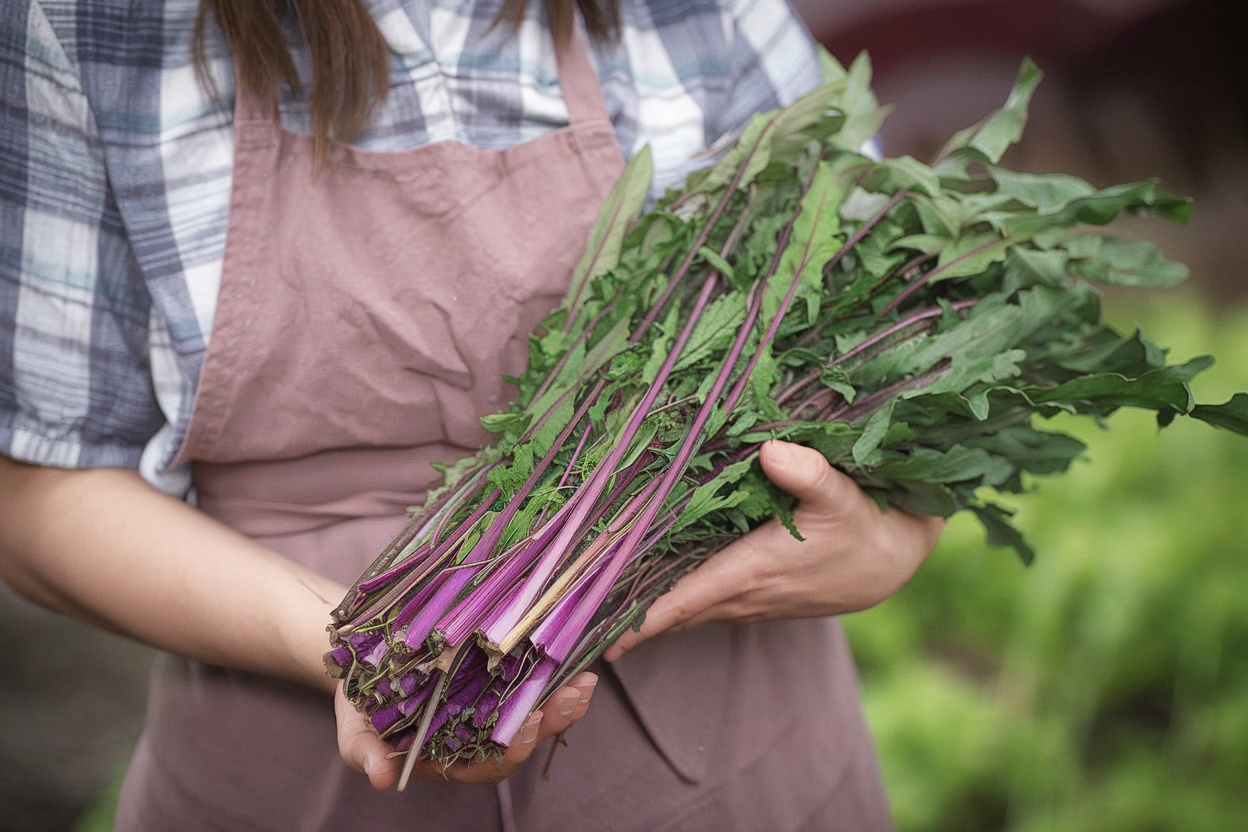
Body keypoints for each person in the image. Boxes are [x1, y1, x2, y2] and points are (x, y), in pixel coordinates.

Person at [0, 0, 942, 829]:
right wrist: (362, 652)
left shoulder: (694, 9)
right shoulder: (88, 22)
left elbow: (895, 308)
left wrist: (897, 538)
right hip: (281, 786)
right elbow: (37, 499)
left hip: (741, 778)